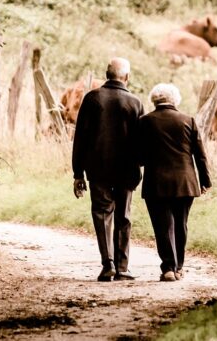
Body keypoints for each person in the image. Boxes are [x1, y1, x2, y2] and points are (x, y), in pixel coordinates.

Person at [72, 57, 144, 282]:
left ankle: (108, 264)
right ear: (127, 77)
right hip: (127, 170)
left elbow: (80, 138)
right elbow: (141, 141)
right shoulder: (135, 102)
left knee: (102, 214)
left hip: (98, 168)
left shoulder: (92, 99)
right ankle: (123, 267)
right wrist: (139, 165)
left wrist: (78, 173)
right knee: (123, 216)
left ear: (106, 74)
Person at [138, 83, 211, 282]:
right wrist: (205, 181)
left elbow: (139, 156)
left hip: (156, 183)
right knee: (181, 224)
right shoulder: (188, 120)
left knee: (162, 226)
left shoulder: (144, 122)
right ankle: (179, 267)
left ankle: (168, 268)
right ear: (175, 100)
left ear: (154, 100)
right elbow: (200, 156)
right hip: (185, 182)